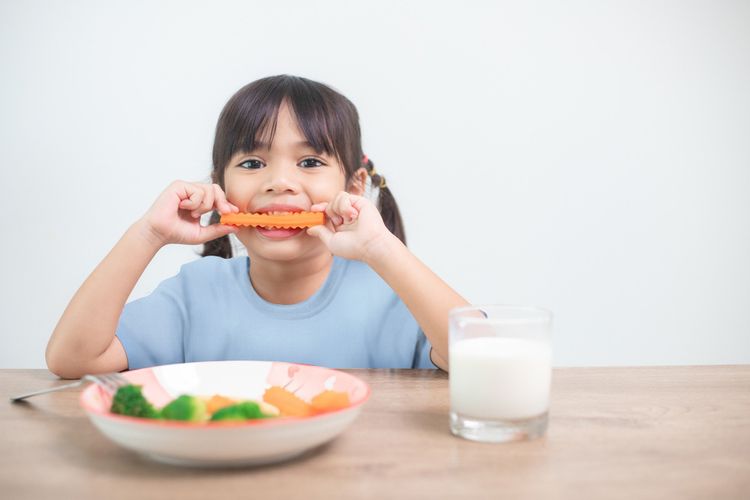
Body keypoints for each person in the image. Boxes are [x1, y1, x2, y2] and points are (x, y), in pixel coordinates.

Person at [46, 75, 467, 379]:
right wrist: (148, 234)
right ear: (220, 187)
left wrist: (381, 247)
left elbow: (476, 359)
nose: (278, 181)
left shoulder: (389, 293)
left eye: (309, 162)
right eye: (252, 163)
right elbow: (72, 359)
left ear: (354, 186)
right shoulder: (196, 294)